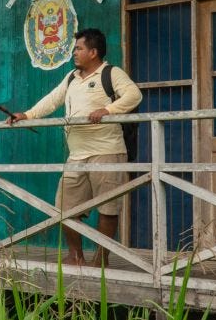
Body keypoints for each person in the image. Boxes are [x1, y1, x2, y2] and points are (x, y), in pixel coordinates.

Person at [7, 28, 142, 267]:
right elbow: (52, 100)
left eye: (79, 49)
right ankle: (76, 255)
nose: (74, 53)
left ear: (93, 52)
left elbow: (134, 95)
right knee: (65, 208)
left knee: (108, 208)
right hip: (77, 154)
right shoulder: (71, 77)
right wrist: (26, 115)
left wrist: (108, 110)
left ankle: (101, 258)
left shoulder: (111, 73)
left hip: (107, 151)